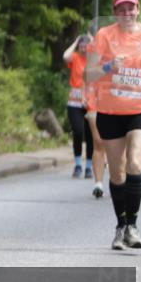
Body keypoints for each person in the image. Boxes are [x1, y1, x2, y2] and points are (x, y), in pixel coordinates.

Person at [85, 0, 141, 250]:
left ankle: (133, 226)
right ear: (115, 12)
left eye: (131, 8)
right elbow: (89, 76)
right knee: (117, 173)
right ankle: (121, 226)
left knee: (135, 163)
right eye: (121, 9)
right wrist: (108, 66)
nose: (127, 13)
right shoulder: (104, 36)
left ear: (138, 9)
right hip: (111, 112)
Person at [62, 34, 94, 179]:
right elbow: (65, 56)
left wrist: (92, 40)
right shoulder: (74, 57)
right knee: (78, 131)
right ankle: (78, 165)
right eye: (81, 45)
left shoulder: (93, 59)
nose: (83, 46)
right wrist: (76, 40)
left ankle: (88, 167)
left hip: (91, 101)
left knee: (90, 135)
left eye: (85, 44)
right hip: (75, 101)